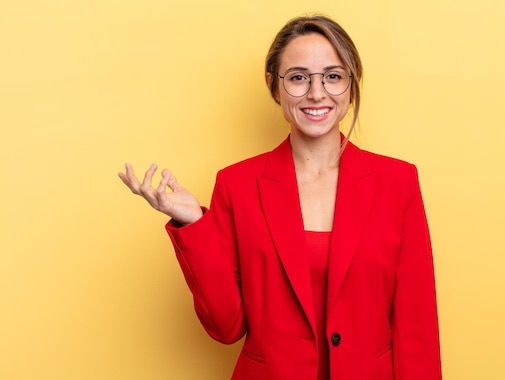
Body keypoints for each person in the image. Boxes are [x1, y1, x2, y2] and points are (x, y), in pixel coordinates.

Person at [119, 14, 441, 380]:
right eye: (299, 77)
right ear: (274, 87)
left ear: (352, 86)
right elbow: (226, 327)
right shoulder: (236, 185)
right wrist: (193, 224)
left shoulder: (397, 182)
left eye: (333, 77)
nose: (316, 93)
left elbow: (418, 328)